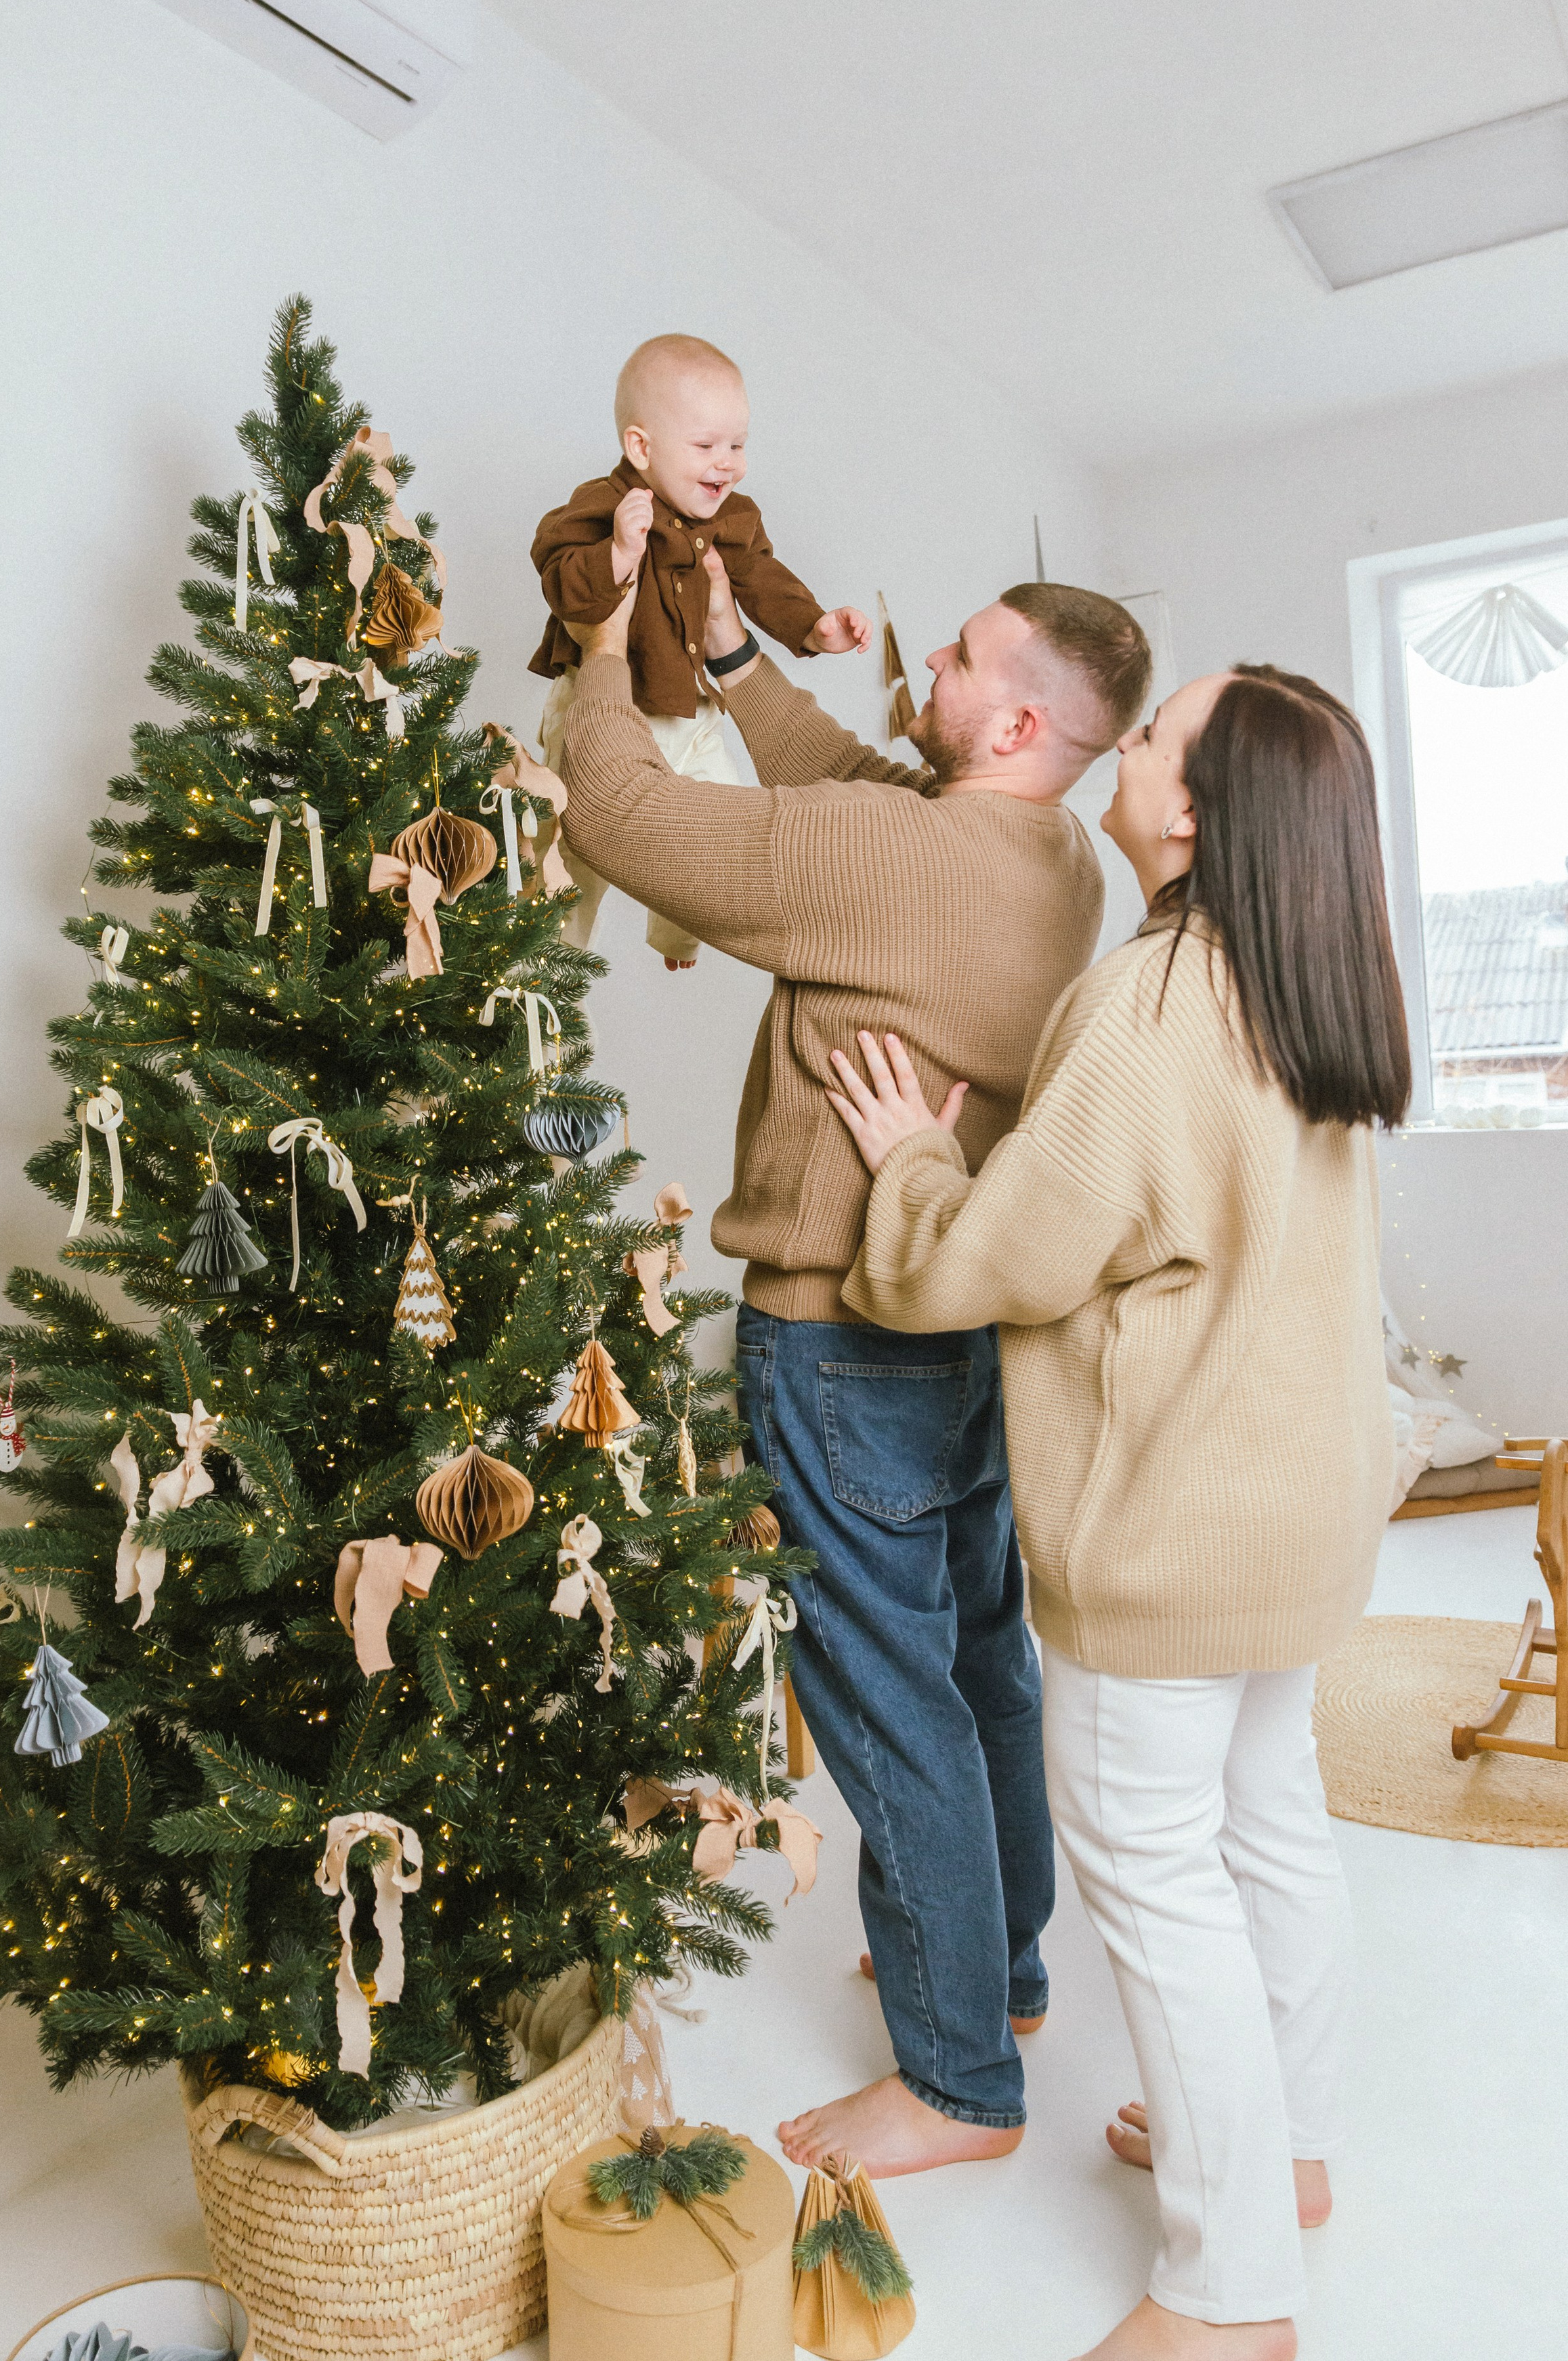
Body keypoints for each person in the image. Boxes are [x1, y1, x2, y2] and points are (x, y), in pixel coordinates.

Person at [829, 666, 1408, 2361]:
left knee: (1157, 1880)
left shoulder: (1150, 1000)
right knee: (1267, 1823)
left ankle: (1229, 2292)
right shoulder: (1306, 994)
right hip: (1297, 1521)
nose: (1126, 741)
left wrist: (903, 1163)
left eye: (1151, 735)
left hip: (1169, 1537)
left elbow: (979, 1260)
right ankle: (1278, 2152)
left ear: (1184, 815)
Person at [553, 549, 1151, 2177]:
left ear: (1016, 714)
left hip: (832, 1333)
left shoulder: (886, 854)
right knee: (974, 1660)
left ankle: (954, 2076)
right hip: (957, 1317)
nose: (930, 664)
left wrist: (603, 629)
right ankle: (1001, 1973)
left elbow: (617, 810)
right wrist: (738, 656)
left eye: (960, 654)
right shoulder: (1046, 863)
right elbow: (868, 789)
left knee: (889, 1704)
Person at [528, 333, 871, 969]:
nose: (728, 464)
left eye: (738, 445)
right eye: (707, 446)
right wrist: (616, 556)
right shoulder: (604, 505)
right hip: (598, 710)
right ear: (641, 446)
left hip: (689, 711)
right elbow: (558, 576)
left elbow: (762, 578)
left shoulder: (733, 517)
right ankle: (547, 965)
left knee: (721, 830)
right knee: (572, 852)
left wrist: (816, 626)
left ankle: (678, 938)